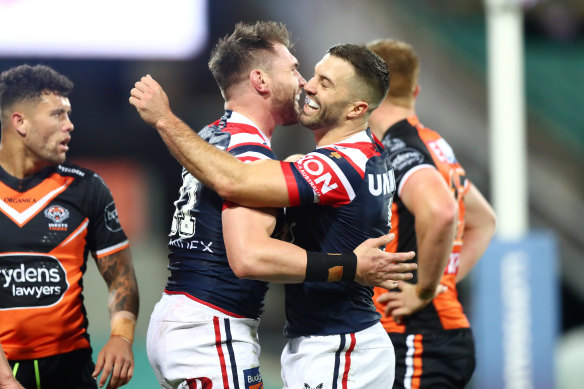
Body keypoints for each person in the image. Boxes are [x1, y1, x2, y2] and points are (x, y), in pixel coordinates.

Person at [132, 22, 415, 388]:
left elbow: (237, 183)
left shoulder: (213, 136)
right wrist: (351, 266)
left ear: (356, 108)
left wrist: (167, 122)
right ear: (261, 81)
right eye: (298, 71)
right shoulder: (251, 152)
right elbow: (248, 246)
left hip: (329, 343)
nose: (305, 84)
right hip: (215, 327)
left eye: (321, 81)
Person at [366, 39, 497, 388]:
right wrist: (442, 280)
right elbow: (483, 222)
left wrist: (424, 290)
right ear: (415, 90)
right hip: (433, 335)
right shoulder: (434, 144)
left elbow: (440, 212)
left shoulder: (399, 148)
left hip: (416, 337)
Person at [0, 64, 139, 389]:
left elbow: (120, 275)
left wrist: (121, 337)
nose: (70, 126)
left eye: (70, 114)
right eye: (58, 115)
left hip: (69, 369)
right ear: (20, 122)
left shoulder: (87, 189)